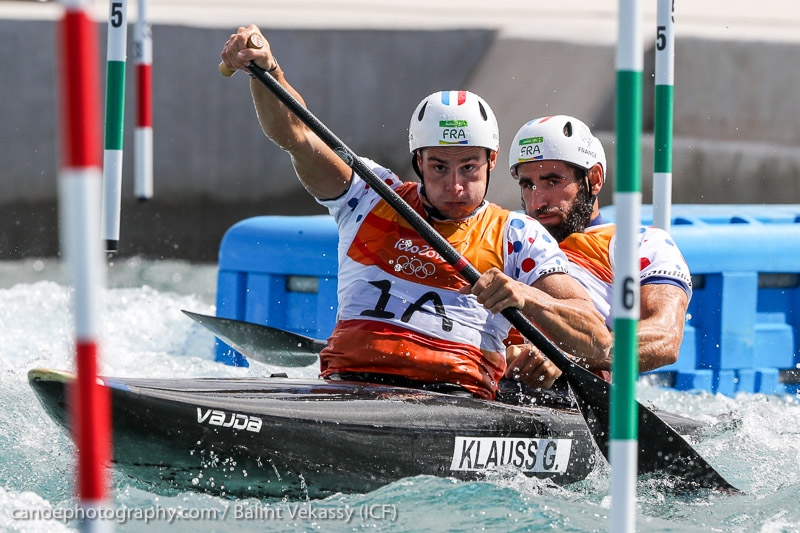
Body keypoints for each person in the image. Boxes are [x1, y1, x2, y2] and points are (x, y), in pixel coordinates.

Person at [220, 26, 612, 400]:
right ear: (418, 162)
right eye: (440, 167)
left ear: (491, 161)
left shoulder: (517, 235)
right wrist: (266, 70)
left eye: (469, 167)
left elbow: (597, 336)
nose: (455, 186)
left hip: (454, 402)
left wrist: (526, 297)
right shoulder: (371, 194)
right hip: (347, 386)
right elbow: (298, 135)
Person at [505, 114, 693, 386]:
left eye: (552, 182)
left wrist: (569, 353)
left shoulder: (640, 244)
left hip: (580, 400)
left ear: (594, 179)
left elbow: (665, 337)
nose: (537, 201)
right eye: (527, 184)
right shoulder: (508, 238)